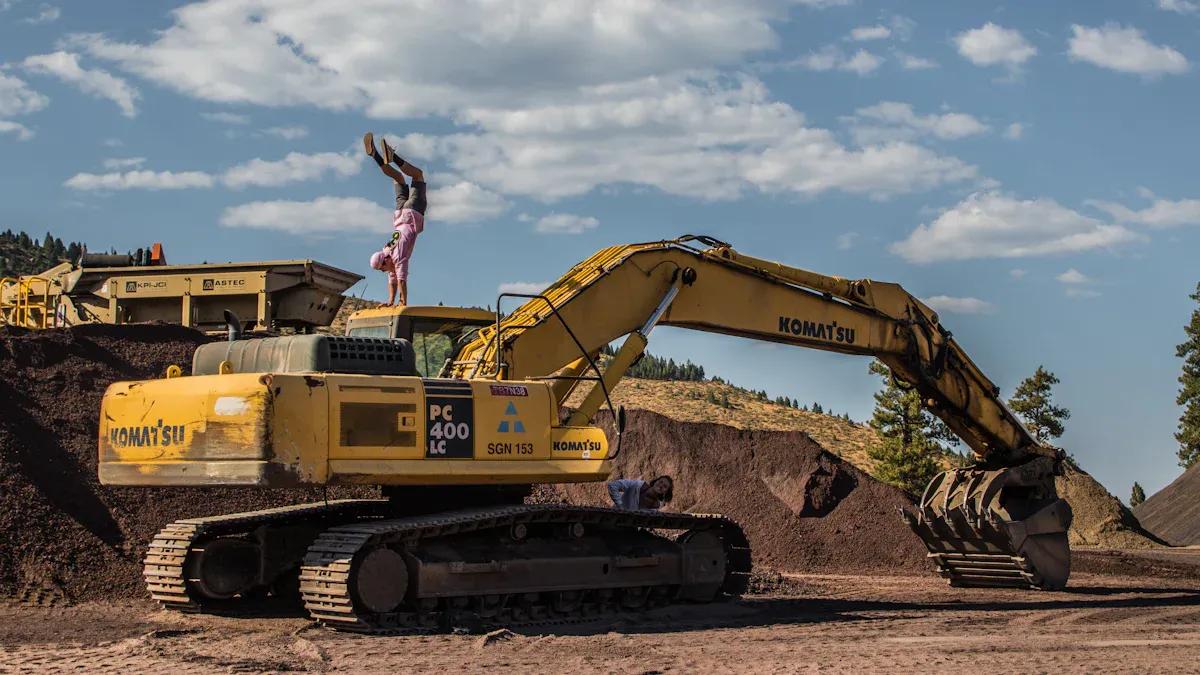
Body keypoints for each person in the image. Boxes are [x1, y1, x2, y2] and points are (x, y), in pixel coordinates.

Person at [364, 132, 426, 306]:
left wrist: (403, 302)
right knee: (398, 178)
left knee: (418, 176)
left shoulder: (396, 257)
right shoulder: (387, 250)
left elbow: (401, 280)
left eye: (382, 268)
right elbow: (392, 280)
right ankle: (376, 155)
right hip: (399, 215)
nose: (385, 272)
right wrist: (390, 301)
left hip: (412, 213)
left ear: (385, 260)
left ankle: (393, 157)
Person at [607, 475, 673, 511]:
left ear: (666, 492)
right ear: (656, 481)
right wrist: (620, 506)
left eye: (665, 486)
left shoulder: (657, 505)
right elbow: (612, 485)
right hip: (611, 519)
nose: (661, 485)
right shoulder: (637, 486)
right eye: (660, 482)